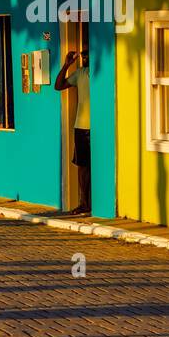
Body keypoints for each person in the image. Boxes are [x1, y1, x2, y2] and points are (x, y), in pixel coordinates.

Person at [54, 47, 91, 213]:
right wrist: (67, 64)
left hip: (100, 127)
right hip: (81, 126)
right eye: (83, 54)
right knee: (83, 167)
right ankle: (85, 203)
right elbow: (58, 85)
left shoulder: (104, 71)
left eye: (87, 53)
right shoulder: (81, 73)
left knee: (96, 166)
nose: (84, 57)